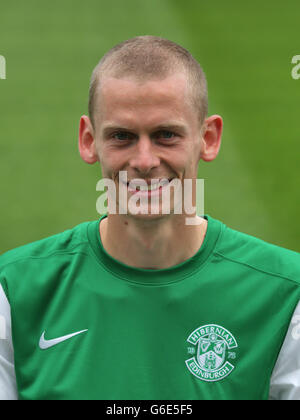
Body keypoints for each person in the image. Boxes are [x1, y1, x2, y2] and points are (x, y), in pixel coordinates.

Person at [0, 36, 299, 401]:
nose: (144, 161)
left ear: (208, 138)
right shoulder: (14, 291)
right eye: (122, 136)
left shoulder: (286, 292)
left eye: (165, 135)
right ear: (88, 140)